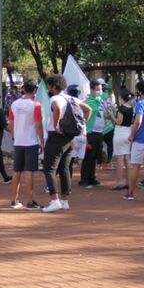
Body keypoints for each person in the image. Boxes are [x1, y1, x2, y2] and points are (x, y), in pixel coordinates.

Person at [41, 74, 92, 214]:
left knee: (49, 168)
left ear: (53, 86)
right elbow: (88, 109)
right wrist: (82, 124)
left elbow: (56, 108)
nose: (49, 88)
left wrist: (57, 125)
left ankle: (54, 200)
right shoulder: (72, 98)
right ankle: (64, 201)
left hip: (57, 136)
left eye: (49, 86)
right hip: (70, 137)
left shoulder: (55, 98)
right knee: (64, 168)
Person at [8, 80, 45, 209]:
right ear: (34, 90)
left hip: (18, 141)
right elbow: (39, 125)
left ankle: (14, 199)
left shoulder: (15, 104)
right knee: (29, 171)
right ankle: (30, 201)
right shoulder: (35, 105)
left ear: (23, 89)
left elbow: (10, 124)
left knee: (17, 170)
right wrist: (42, 141)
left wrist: (14, 136)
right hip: (31, 141)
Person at [80, 80, 106, 188]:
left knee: (95, 156)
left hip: (99, 132)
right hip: (91, 132)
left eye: (101, 89)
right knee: (88, 156)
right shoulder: (88, 102)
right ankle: (84, 179)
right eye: (97, 89)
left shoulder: (101, 101)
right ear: (92, 90)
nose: (100, 91)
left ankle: (92, 177)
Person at [112, 90, 134, 190]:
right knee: (127, 159)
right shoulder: (132, 108)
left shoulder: (121, 109)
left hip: (120, 133)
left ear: (122, 98)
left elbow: (118, 122)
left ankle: (120, 181)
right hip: (128, 131)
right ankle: (130, 181)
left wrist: (111, 116)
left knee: (120, 159)